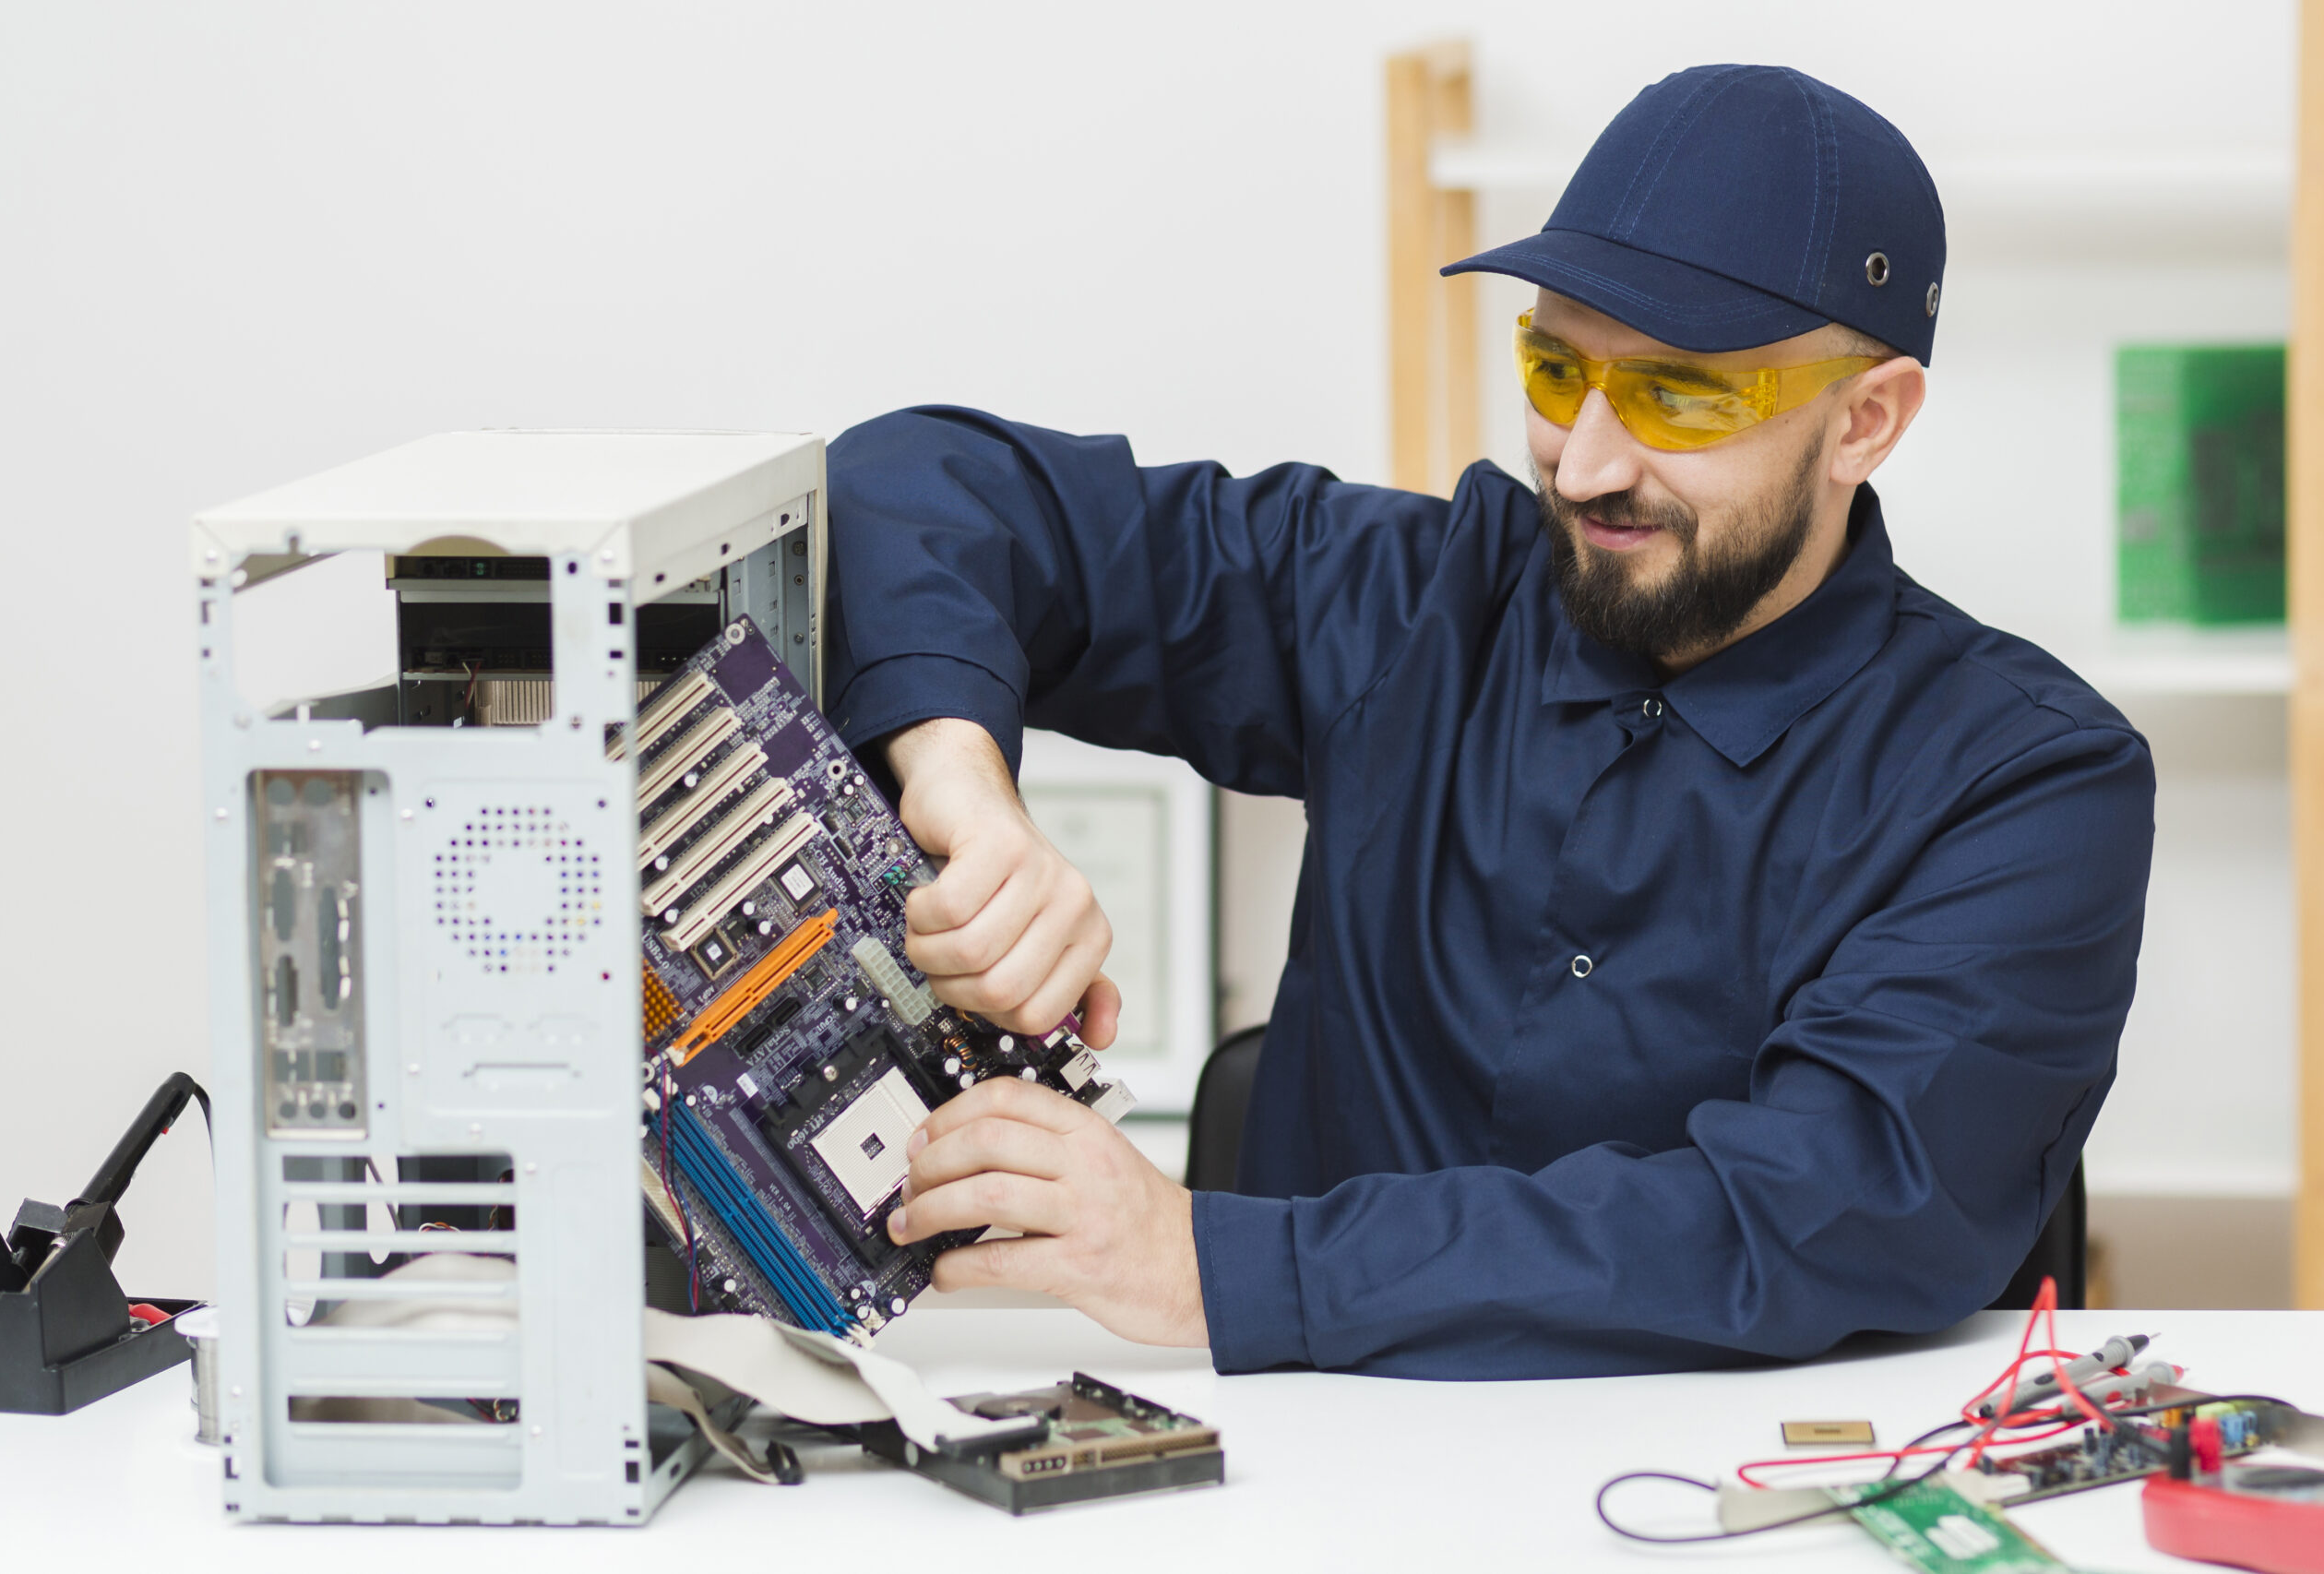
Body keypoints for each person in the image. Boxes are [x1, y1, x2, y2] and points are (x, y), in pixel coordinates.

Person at [821, 65, 2155, 1378]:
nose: (1583, 460)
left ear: (1867, 419)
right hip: (1302, 1481)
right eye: (1555, 363)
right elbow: (917, 485)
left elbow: (1808, 1210)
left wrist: (1207, 1264)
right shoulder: (1402, 600)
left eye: (1679, 395)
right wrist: (962, 787)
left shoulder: (2027, 784)